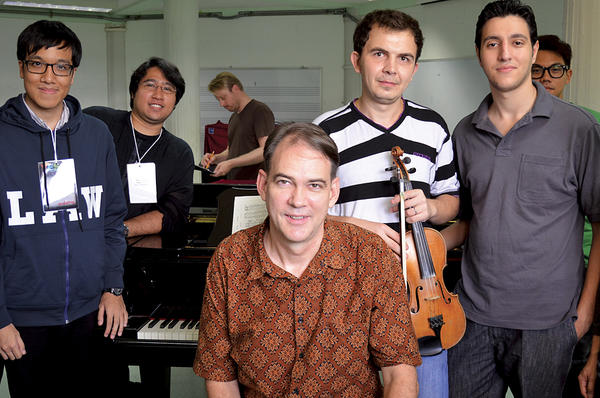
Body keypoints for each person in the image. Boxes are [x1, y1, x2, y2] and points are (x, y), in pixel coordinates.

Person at [194, 122, 421, 397]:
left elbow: (400, 372)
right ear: (263, 185)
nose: (298, 200)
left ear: (333, 193)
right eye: (285, 182)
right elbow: (219, 376)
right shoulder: (230, 259)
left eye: (314, 185)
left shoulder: (371, 256)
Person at [444, 1, 600, 397]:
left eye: (516, 41)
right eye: (492, 43)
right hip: (472, 318)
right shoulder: (464, 133)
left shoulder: (578, 130)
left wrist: (584, 317)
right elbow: (470, 218)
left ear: (532, 51)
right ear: (480, 53)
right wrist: (417, 246)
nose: (504, 53)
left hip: (549, 324)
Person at [313, 9, 460, 398]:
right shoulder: (325, 130)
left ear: (413, 68)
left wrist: (431, 208)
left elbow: (452, 202)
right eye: (379, 54)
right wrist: (365, 228)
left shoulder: (433, 127)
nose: (391, 68)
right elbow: (304, 213)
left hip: (421, 298)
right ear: (357, 60)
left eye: (404, 58)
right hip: (346, 297)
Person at [0, 20, 128, 397]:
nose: (48, 76)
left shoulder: (96, 135)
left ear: (72, 74)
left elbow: (111, 221)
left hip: (91, 314)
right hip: (23, 321)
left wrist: (113, 288)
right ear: (21, 67)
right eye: (37, 64)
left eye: (61, 66)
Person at [532, 34, 600, 398]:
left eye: (555, 69)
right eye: (537, 69)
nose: (546, 77)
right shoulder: (513, 127)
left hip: (591, 268)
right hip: (550, 278)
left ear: (568, 75)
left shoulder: (590, 126)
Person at [85, 57, 194, 238]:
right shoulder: (97, 122)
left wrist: (119, 231)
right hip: (74, 238)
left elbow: (173, 213)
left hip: (133, 247)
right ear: (133, 92)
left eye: (167, 88)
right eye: (150, 85)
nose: (158, 95)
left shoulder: (179, 153)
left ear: (175, 102)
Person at [200, 72, 275, 180]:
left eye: (223, 98)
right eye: (218, 100)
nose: (222, 104)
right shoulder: (233, 117)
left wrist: (231, 163)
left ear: (235, 89)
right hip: (234, 181)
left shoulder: (260, 111)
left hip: (253, 185)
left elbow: (265, 151)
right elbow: (231, 151)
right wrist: (216, 158)